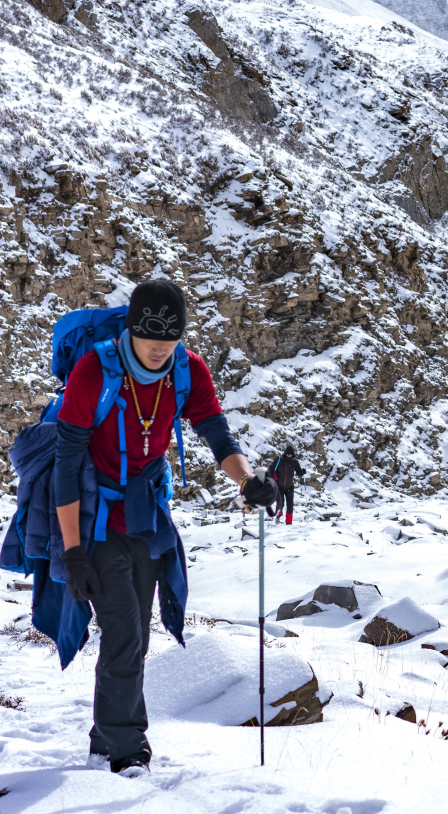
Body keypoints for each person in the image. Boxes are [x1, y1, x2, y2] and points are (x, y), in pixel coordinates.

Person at [51, 280, 280, 775]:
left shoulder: (186, 369)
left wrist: (248, 480)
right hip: (97, 518)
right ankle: (126, 751)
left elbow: (215, 429)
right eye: (151, 338)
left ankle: (102, 737)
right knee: (123, 633)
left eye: (170, 339)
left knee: (137, 632)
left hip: (147, 514)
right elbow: (66, 464)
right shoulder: (95, 371)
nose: (159, 348)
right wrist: (72, 553)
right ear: (131, 329)